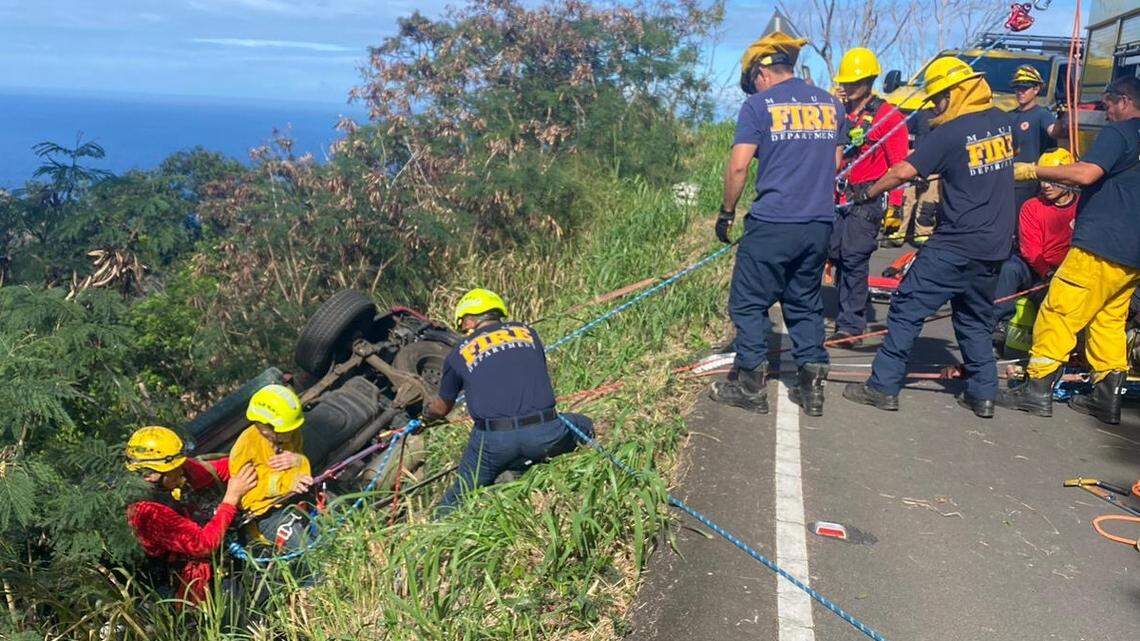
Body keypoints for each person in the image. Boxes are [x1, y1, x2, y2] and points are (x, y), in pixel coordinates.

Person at [842, 57, 1016, 418]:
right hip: (995, 245)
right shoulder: (1002, 122)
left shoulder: (948, 134)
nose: (936, 105)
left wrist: (868, 192)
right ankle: (983, 393)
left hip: (955, 244)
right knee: (974, 316)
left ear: (956, 93)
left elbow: (902, 171)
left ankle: (882, 386)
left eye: (939, 98)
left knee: (907, 306)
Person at [709, 29, 845, 417]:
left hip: (772, 222)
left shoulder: (758, 106)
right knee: (804, 302)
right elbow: (835, 164)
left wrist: (727, 212)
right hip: (818, 223)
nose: (754, 88)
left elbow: (738, 165)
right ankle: (812, 388)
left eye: (753, 82)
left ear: (762, 73)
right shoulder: (832, 105)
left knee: (748, 303)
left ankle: (751, 387)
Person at [996, 77, 1140, 425]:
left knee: (1058, 310)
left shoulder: (1120, 133)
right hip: (1132, 254)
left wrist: (1032, 169)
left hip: (1100, 245)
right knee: (1107, 322)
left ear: (1123, 101)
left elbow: (1086, 173)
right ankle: (1107, 399)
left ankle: (1036, 390)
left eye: (1108, 104)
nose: (1106, 112)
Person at [424, 288, 594, 515]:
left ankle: (437, 531)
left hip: (495, 442)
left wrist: (424, 418)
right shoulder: (528, 333)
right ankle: (532, 469)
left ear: (471, 320)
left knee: (460, 493)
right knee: (584, 424)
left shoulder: (458, 354)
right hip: (546, 433)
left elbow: (442, 407)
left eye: (462, 322)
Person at [125, 426, 258, 605]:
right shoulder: (147, 512)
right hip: (190, 588)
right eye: (176, 469)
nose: (183, 472)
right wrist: (231, 499)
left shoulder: (173, 475)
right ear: (152, 476)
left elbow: (227, 468)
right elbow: (203, 544)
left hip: (214, 566)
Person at [830, 47, 909, 345]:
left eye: (853, 83)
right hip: (835, 198)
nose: (847, 88)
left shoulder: (889, 118)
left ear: (868, 82)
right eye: (845, 83)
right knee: (831, 252)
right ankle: (840, 310)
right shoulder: (838, 111)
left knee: (854, 257)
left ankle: (851, 326)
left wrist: (896, 208)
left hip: (867, 199)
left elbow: (900, 165)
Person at [992, 148, 1078, 345]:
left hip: (1069, 271)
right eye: (1043, 179)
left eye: (1051, 179)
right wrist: (1047, 273)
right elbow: (1031, 251)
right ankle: (999, 323)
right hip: (1037, 270)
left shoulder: (1082, 206)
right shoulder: (1031, 206)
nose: (1046, 185)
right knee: (1010, 268)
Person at [228, 383, 314, 551]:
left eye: (293, 429)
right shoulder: (246, 448)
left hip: (295, 498)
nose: (290, 435)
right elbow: (247, 497)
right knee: (309, 551)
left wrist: (299, 461)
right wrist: (286, 485)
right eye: (285, 431)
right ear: (262, 424)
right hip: (266, 515)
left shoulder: (292, 433)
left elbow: (300, 468)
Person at [1007, 65, 1062, 212]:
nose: (1020, 92)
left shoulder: (1042, 115)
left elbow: (1054, 132)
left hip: (1031, 184)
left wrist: (1064, 118)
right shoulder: (1007, 116)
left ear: (1036, 89)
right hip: (1007, 181)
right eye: (1017, 87)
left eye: (1025, 87)